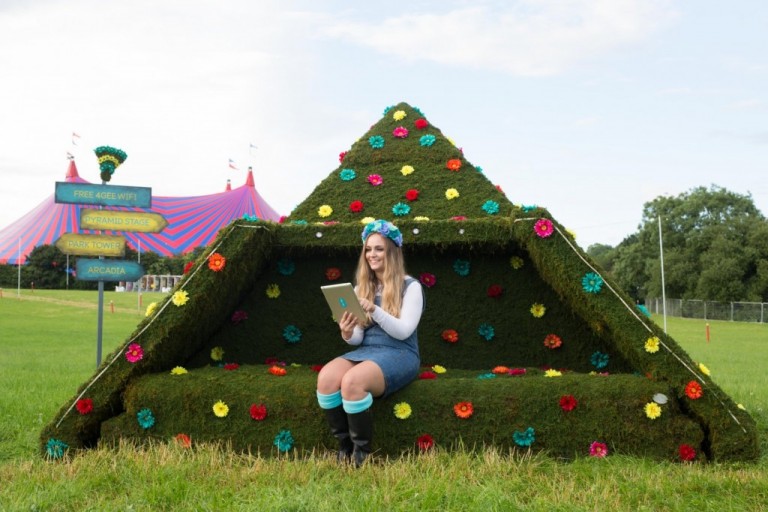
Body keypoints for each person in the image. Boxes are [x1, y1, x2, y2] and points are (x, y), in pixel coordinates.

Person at [316, 219, 424, 466]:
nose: (371, 255)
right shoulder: (361, 288)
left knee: (352, 381)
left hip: (400, 353)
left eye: (379, 249)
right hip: (368, 350)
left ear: (392, 252)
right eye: (368, 249)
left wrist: (374, 310)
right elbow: (357, 340)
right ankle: (345, 448)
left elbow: (404, 331)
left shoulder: (411, 286)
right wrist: (346, 331)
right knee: (326, 378)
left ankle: (363, 455)